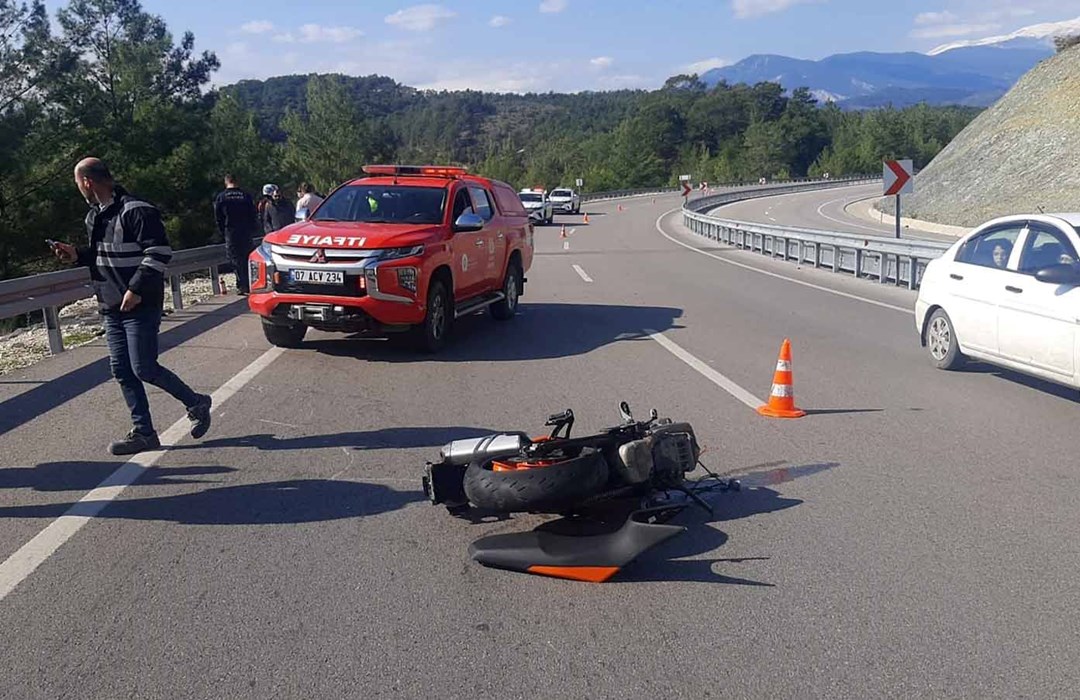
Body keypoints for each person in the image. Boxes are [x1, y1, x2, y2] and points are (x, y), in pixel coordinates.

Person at [52, 157, 212, 455]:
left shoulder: (136, 210)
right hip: (111, 305)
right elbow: (101, 255)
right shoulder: (95, 216)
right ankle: (144, 433)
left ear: (87, 181)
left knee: (144, 368)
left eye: (77, 183)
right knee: (122, 370)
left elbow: (160, 252)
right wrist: (76, 254)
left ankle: (196, 402)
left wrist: (136, 289)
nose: (78, 189)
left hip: (140, 304)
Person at [213, 174, 258, 294]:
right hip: (246, 232)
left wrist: (223, 231)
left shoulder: (221, 197)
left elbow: (218, 217)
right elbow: (253, 214)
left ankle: (241, 285)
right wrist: (252, 229)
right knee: (248, 257)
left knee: (235, 259)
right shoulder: (245, 195)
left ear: (226, 182)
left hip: (231, 232)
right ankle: (250, 284)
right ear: (237, 181)